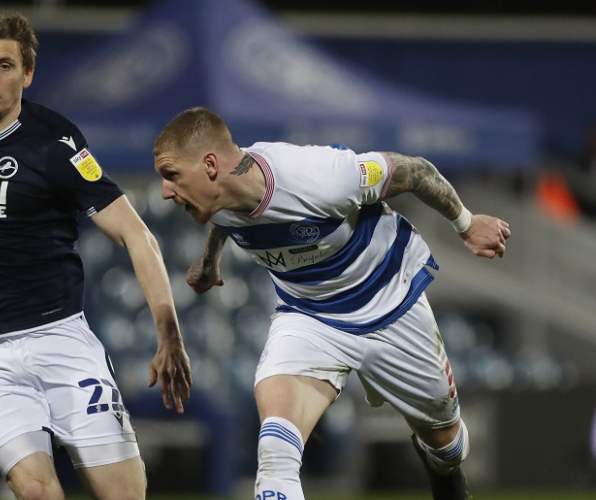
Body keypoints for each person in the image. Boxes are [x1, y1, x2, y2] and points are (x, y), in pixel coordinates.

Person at [153, 107, 512, 500]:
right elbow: (226, 218)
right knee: (275, 452)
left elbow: (415, 170)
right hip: (309, 318)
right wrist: (210, 261)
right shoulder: (219, 195)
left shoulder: (321, 177)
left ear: (210, 165)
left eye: (171, 175)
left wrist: (466, 223)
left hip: (390, 305)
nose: (165, 191)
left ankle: (444, 473)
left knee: (448, 448)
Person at [0, 12, 192, 500]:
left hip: (60, 340)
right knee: (38, 490)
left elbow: (136, 235)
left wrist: (169, 332)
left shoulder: (55, 143)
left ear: (28, 74)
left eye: (5, 65)